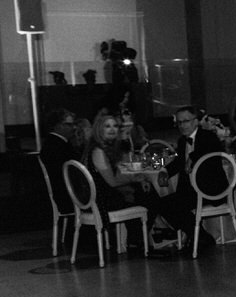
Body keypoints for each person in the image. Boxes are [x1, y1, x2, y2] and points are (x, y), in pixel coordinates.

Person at [81, 111, 163, 246]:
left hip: (107, 194)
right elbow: (112, 182)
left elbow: (122, 170)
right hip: (102, 199)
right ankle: (139, 239)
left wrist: (140, 180)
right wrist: (135, 180)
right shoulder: (98, 151)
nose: (112, 129)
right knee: (149, 197)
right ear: (99, 129)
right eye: (107, 126)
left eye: (115, 126)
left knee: (147, 194)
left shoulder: (108, 148)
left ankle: (139, 239)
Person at [157, 106, 223, 247]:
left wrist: (192, 157)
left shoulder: (208, 136)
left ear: (196, 121)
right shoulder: (182, 141)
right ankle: (200, 236)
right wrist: (165, 171)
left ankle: (197, 237)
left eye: (185, 121)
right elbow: (179, 163)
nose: (182, 125)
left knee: (174, 205)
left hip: (209, 189)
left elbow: (210, 149)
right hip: (191, 191)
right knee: (163, 203)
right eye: (179, 122)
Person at [40, 108, 77, 215]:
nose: (74, 128)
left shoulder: (54, 143)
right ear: (58, 125)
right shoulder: (58, 146)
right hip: (68, 196)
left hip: (64, 194)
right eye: (69, 124)